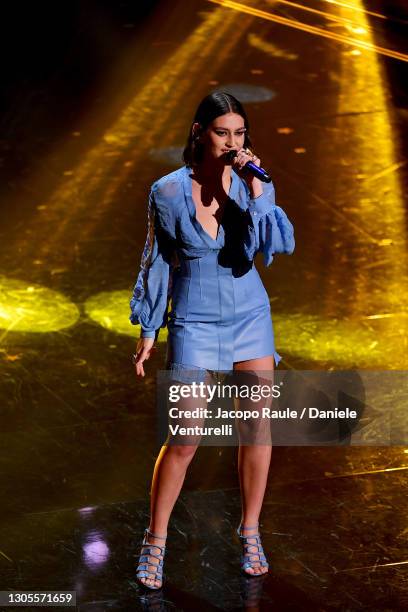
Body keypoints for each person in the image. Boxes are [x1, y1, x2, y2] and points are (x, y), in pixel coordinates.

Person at [129, 91, 295, 590]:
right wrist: (148, 329)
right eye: (224, 132)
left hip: (250, 315)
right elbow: (157, 262)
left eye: (240, 133)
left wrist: (259, 188)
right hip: (194, 321)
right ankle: (154, 540)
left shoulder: (250, 187)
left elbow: (277, 243)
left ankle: (251, 532)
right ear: (201, 132)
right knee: (184, 437)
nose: (233, 142)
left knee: (256, 431)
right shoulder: (167, 192)